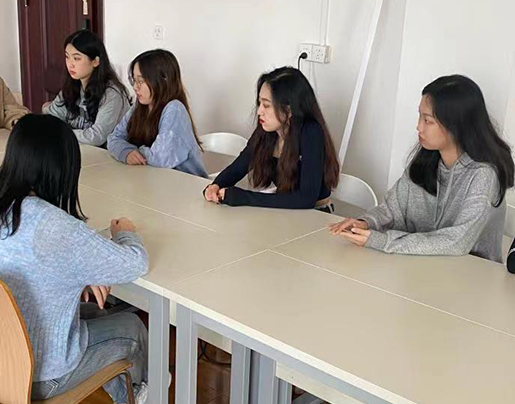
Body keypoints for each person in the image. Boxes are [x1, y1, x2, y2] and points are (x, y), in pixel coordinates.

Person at [0, 114, 150, 404]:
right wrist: (125, 233)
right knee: (132, 327)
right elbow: (135, 264)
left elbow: (28, 265)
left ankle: (128, 401)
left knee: (94, 313)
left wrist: (81, 273)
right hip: (36, 377)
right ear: (63, 167)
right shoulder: (54, 226)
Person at [330, 75, 514, 263]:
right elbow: (392, 211)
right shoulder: (425, 161)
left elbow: (457, 241)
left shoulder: (484, 175)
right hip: (420, 267)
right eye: (420, 116)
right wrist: (365, 223)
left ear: (456, 125)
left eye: (428, 120)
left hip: (471, 273)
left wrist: (381, 241)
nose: (418, 127)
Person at [204, 66, 339, 210]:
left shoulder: (311, 132)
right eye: (259, 103)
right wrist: (216, 185)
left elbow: (306, 199)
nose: (259, 111)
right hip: (285, 212)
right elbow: (238, 167)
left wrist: (241, 197)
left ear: (289, 109)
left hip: (315, 215)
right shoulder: (267, 131)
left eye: (266, 105)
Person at [107, 49, 207, 177]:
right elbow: (113, 138)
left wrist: (134, 150)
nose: (135, 87)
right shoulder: (139, 107)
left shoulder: (174, 109)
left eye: (141, 81)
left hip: (184, 183)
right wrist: (126, 152)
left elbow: (160, 158)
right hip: (152, 179)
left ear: (163, 80)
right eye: (134, 80)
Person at [43, 30, 131, 147]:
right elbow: (50, 118)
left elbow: (97, 137)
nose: (70, 64)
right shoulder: (71, 86)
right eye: (67, 57)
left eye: (76, 58)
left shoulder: (112, 94)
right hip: (81, 148)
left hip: (107, 153)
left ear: (95, 61)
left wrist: (62, 133)